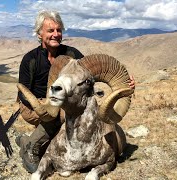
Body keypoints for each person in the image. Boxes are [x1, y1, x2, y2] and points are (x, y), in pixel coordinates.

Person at [16, 10, 135, 173]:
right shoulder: (30, 59)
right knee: (58, 117)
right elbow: (23, 92)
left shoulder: (70, 54)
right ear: (39, 33)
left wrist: (124, 87)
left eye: (59, 30)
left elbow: (87, 77)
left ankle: (28, 140)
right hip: (32, 104)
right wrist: (46, 102)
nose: (56, 34)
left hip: (60, 97)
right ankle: (30, 148)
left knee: (79, 112)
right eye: (50, 31)